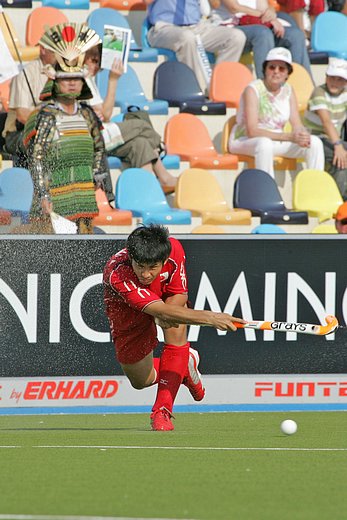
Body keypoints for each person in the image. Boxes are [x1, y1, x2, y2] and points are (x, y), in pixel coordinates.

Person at [103, 224, 245, 431]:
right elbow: (160, 310)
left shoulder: (174, 250)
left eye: (153, 267)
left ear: (164, 260)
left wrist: (168, 311)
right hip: (127, 310)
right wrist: (211, 318)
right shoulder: (119, 273)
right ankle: (185, 363)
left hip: (163, 300)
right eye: (140, 266)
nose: (145, 274)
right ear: (131, 258)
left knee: (176, 326)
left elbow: (179, 292)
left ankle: (162, 411)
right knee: (141, 380)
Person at [22, 23, 109, 234]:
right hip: (53, 196)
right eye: (66, 79)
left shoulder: (88, 114)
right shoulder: (44, 116)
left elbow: (99, 148)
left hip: (84, 195)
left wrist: (97, 173)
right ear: (55, 82)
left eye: (76, 79)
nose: (71, 84)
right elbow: (36, 158)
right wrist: (43, 193)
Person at [84, 45, 177, 194]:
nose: (94, 68)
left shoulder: (88, 80)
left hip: (102, 134)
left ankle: (148, 193)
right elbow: (105, 115)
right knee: (141, 124)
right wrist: (113, 80)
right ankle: (163, 173)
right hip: (93, 137)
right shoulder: (80, 79)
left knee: (140, 143)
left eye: (99, 65)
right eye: (93, 61)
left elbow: (104, 115)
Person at [228, 47, 324, 178]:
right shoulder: (252, 89)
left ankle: (317, 188)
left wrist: (301, 134)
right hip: (244, 139)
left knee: (315, 143)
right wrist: (289, 137)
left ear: (287, 74)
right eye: (272, 67)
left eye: (282, 69)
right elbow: (252, 131)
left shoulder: (289, 90)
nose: (276, 72)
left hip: (276, 140)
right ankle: (268, 191)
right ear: (265, 70)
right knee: (264, 144)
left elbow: (296, 123)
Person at [144, 0, 247, 92]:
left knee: (236, 37)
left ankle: (219, 90)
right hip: (164, 27)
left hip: (196, 27)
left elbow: (215, 4)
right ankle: (196, 89)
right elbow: (146, 2)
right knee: (187, 38)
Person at [211, 0, 313, 80]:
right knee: (262, 33)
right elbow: (234, 7)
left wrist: (270, 13)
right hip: (230, 29)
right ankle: (266, 87)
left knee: (295, 35)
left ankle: (302, 87)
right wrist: (262, 16)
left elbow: (264, 7)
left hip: (257, 24)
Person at [2, 44, 56, 165]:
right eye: (55, 51)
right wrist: (46, 128)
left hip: (52, 131)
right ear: (43, 49)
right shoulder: (25, 74)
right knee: (43, 141)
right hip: (18, 133)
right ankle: (38, 182)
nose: (60, 55)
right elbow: (22, 115)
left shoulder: (65, 75)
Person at [303, 58, 347, 200]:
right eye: (332, 78)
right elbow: (326, 121)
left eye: (339, 79)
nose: (335, 82)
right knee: (340, 158)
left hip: (333, 140)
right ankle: (338, 201)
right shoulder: (319, 92)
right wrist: (338, 146)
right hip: (314, 139)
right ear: (326, 77)